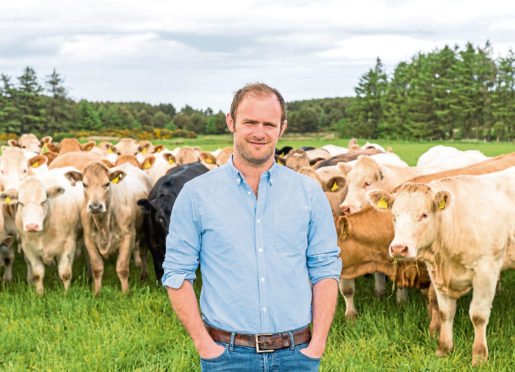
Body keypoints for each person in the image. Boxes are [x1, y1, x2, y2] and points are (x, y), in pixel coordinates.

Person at [162, 83, 342, 371]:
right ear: (231, 122)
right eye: (250, 122)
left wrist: (317, 343)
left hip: (297, 354)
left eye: (269, 124)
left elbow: (325, 269)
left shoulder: (308, 193)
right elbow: (176, 273)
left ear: (282, 128)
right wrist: (204, 345)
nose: (259, 133)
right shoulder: (196, 195)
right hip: (226, 355)